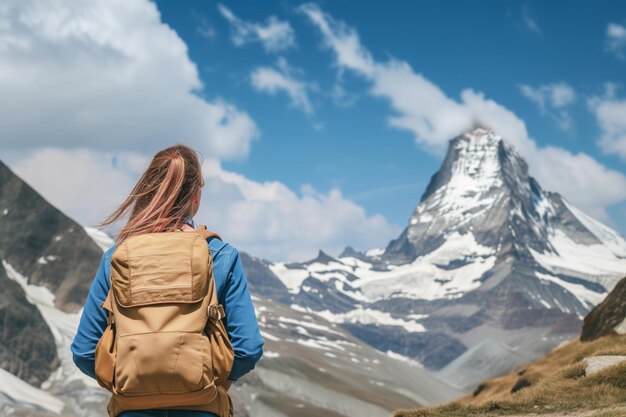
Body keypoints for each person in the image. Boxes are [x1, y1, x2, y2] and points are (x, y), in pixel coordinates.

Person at [70, 144, 264, 417]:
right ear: (196, 196)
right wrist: (210, 383)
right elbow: (248, 348)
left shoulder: (117, 257)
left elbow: (84, 351)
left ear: (148, 192)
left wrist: (131, 387)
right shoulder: (220, 256)